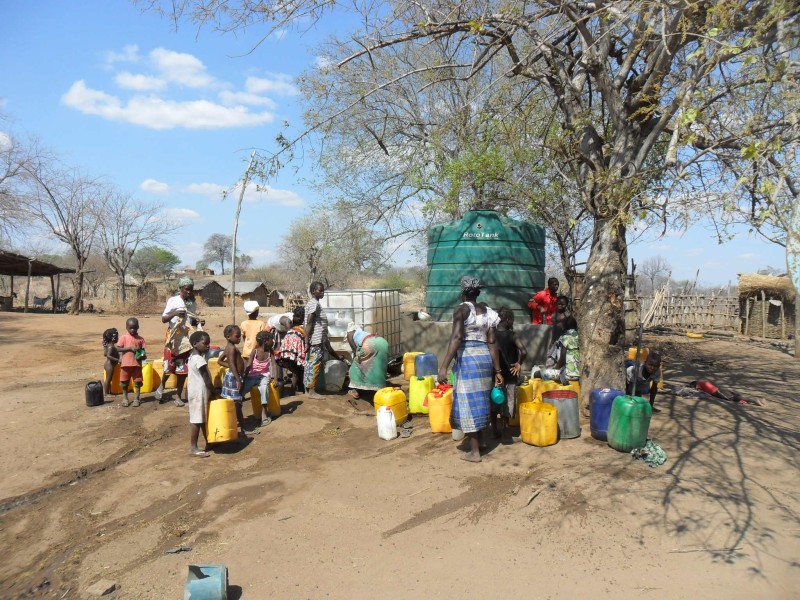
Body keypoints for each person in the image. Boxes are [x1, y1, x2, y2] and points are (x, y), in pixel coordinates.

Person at [437, 276, 503, 463]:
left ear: (463, 292)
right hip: (484, 360)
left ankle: (474, 452)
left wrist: (444, 366)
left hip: (468, 359)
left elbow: (457, 338)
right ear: (478, 292)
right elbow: (492, 342)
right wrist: (497, 371)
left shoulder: (461, 310)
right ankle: (480, 442)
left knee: (467, 402)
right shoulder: (489, 312)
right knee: (481, 400)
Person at [154, 277, 204, 407]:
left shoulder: (192, 303)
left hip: (186, 338)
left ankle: (178, 396)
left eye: (191, 290)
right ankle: (162, 386)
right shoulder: (174, 301)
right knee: (170, 364)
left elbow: (191, 321)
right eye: (187, 289)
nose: (189, 292)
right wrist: (175, 312)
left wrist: (198, 322)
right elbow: (164, 319)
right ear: (181, 289)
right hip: (173, 337)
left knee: (183, 368)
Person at [491, 307, 527, 443]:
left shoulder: (491, 334)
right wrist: (518, 364)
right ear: (508, 320)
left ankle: (494, 430)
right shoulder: (512, 335)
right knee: (507, 403)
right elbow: (523, 351)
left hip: (494, 374)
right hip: (510, 375)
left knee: (494, 401)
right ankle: (505, 433)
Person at [303, 281, 343, 399]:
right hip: (315, 341)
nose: (322, 292)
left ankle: (308, 389)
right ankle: (311, 391)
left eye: (323, 290)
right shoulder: (314, 304)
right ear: (313, 291)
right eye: (320, 290)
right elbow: (309, 323)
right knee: (314, 364)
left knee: (310, 364)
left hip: (316, 339)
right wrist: (306, 341)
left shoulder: (313, 303)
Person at [218, 324, 251, 439]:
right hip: (234, 378)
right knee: (237, 404)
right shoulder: (231, 348)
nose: (239, 338)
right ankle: (243, 429)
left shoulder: (228, 347)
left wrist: (234, 368)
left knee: (235, 403)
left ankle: (236, 425)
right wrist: (238, 378)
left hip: (232, 375)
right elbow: (231, 363)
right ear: (228, 336)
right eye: (237, 336)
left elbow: (220, 361)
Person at [187, 330, 216, 458]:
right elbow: (207, 379)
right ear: (195, 344)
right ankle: (193, 447)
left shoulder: (193, 357)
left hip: (197, 392)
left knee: (202, 418)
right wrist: (214, 392)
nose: (208, 346)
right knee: (197, 420)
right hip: (199, 393)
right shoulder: (199, 359)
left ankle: (209, 442)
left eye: (209, 343)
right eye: (205, 343)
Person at [242, 330, 276, 426]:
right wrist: (243, 379)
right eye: (271, 339)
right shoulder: (255, 351)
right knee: (240, 393)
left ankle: (264, 415)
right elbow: (248, 365)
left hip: (263, 376)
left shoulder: (270, 352)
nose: (273, 341)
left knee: (265, 389)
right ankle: (238, 415)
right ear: (266, 341)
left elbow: (274, 365)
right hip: (251, 376)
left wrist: (275, 378)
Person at [346, 324, 389, 399]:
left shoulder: (349, 334)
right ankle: (379, 389)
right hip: (383, 341)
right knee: (378, 365)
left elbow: (356, 351)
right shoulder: (362, 333)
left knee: (356, 366)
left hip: (370, 344)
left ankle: (355, 390)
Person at [533, 316, 580, 385]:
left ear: (565, 326)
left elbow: (562, 359)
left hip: (567, 374)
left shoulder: (565, 338)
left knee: (536, 373)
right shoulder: (578, 337)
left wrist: (554, 369)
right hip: (577, 374)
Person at [276, 307, 308, 394]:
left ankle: (283, 389)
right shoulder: (300, 329)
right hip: (293, 352)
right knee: (296, 371)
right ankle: (293, 391)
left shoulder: (291, 329)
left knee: (289, 370)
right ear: (301, 318)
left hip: (284, 353)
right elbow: (303, 341)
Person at [117, 318, 146, 407]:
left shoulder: (141, 339)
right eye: (130, 328)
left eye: (134, 328)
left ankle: (137, 398)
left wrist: (142, 355)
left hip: (136, 365)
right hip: (125, 365)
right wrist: (130, 348)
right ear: (126, 327)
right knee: (124, 383)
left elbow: (143, 351)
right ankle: (125, 398)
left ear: (138, 327)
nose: (132, 330)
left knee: (137, 383)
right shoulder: (124, 337)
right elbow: (118, 348)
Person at [102, 328, 120, 402]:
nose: (117, 338)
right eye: (116, 337)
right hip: (110, 365)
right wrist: (117, 360)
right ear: (113, 338)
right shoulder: (111, 346)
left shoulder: (108, 346)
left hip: (108, 364)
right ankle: (106, 393)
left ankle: (109, 392)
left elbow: (105, 353)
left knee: (110, 379)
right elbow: (108, 355)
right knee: (108, 380)